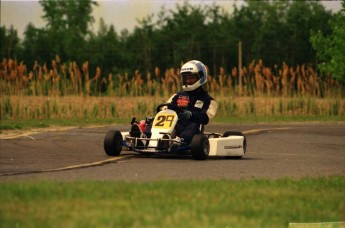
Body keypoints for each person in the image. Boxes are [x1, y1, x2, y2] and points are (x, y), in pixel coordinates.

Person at [130, 60, 218, 144]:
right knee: (157, 121)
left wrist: (191, 115)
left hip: (191, 129)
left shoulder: (209, 100)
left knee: (193, 125)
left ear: (201, 77)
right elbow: (165, 109)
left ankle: (179, 141)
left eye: (191, 78)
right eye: (186, 78)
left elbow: (205, 118)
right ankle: (145, 137)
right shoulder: (177, 95)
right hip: (174, 125)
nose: (188, 81)